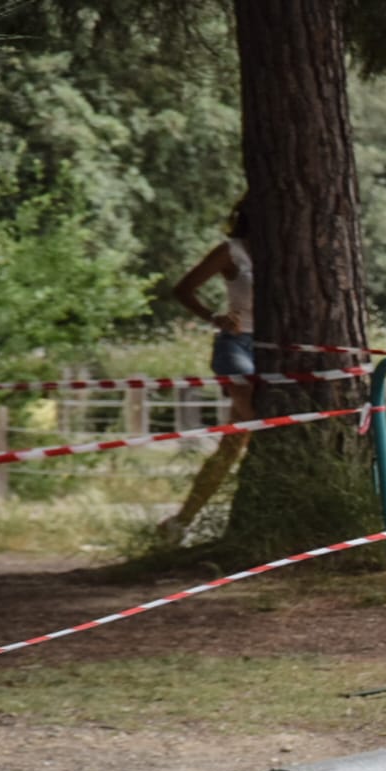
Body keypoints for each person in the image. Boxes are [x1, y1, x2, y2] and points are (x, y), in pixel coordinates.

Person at [161, 195, 255, 543]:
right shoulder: (231, 252)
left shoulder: (287, 252)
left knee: (233, 444)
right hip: (237, 348)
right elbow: (183, 289)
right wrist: (213, 317)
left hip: (274, 351)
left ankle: (181, 520)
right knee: (263, 419)